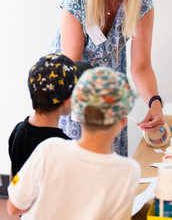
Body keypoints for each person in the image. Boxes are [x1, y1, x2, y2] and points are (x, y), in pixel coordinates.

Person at [50, 0, 164, 156]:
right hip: (74, 88)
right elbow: (71, 66)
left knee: (109, 164)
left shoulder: (141, 4)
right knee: (79, 162)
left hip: (111, 85)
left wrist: (155, 103)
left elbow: (141, 67)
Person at [7, 67, 141, 220]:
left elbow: (13, 207)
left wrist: (19, 179)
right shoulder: (129, 171)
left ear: (76, 113)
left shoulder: (49, 148)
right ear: (123, 120)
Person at [8, 53, 80, 178]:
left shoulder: (18, 131)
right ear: (68, 100)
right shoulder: (64, 145)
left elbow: (14, 177)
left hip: (20, 196)